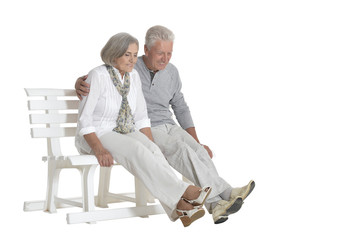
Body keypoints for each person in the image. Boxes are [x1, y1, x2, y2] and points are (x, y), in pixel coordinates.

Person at [75, 26, 255, 224]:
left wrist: (174, 143)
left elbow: (176, 107)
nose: (165, 58)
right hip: (115, 131)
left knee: (193, 150)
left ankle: (217, 201)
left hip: (151, 126)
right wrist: (79, 83)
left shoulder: (139, 74)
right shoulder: (126, 71)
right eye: (160, 53)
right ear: (147, 49)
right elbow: (97, 95)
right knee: (173, 150)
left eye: (169, 53)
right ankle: (191, 195)